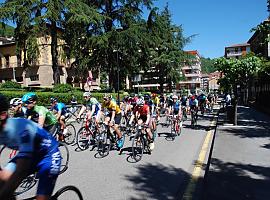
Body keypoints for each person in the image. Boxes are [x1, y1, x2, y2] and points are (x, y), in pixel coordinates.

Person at [0, 94, 61, 200]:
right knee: (2, 180)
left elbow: (21, 170)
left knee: (41, 197)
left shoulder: (20, 128)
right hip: (31, 152)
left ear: (2, 115)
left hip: (48, 155)